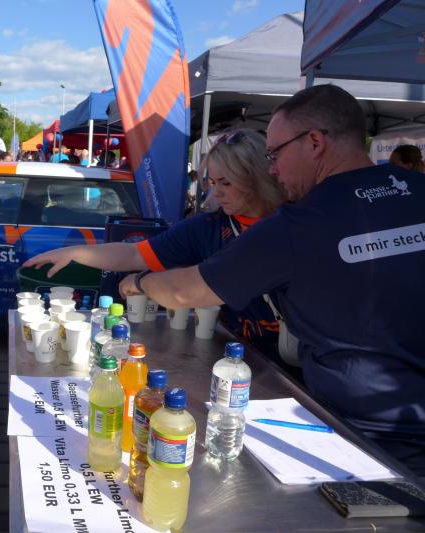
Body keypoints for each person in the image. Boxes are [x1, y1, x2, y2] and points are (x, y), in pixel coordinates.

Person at [121, 84, 425, 475]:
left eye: (275, 153)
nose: (273, 169)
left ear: (314, 142)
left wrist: (141, 283)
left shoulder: (300, 224)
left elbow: (184, 291)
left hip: (363, 443)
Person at [25, 129, 288, 363]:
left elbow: (182, 292)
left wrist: (141, 283)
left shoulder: (294, 225)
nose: (216, 193)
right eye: (213, 182)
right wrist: (74, 252)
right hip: (238, 358)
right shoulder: (207, 228)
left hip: (296, 365)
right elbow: (134, 253)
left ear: (257, 179)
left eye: (226, 183)